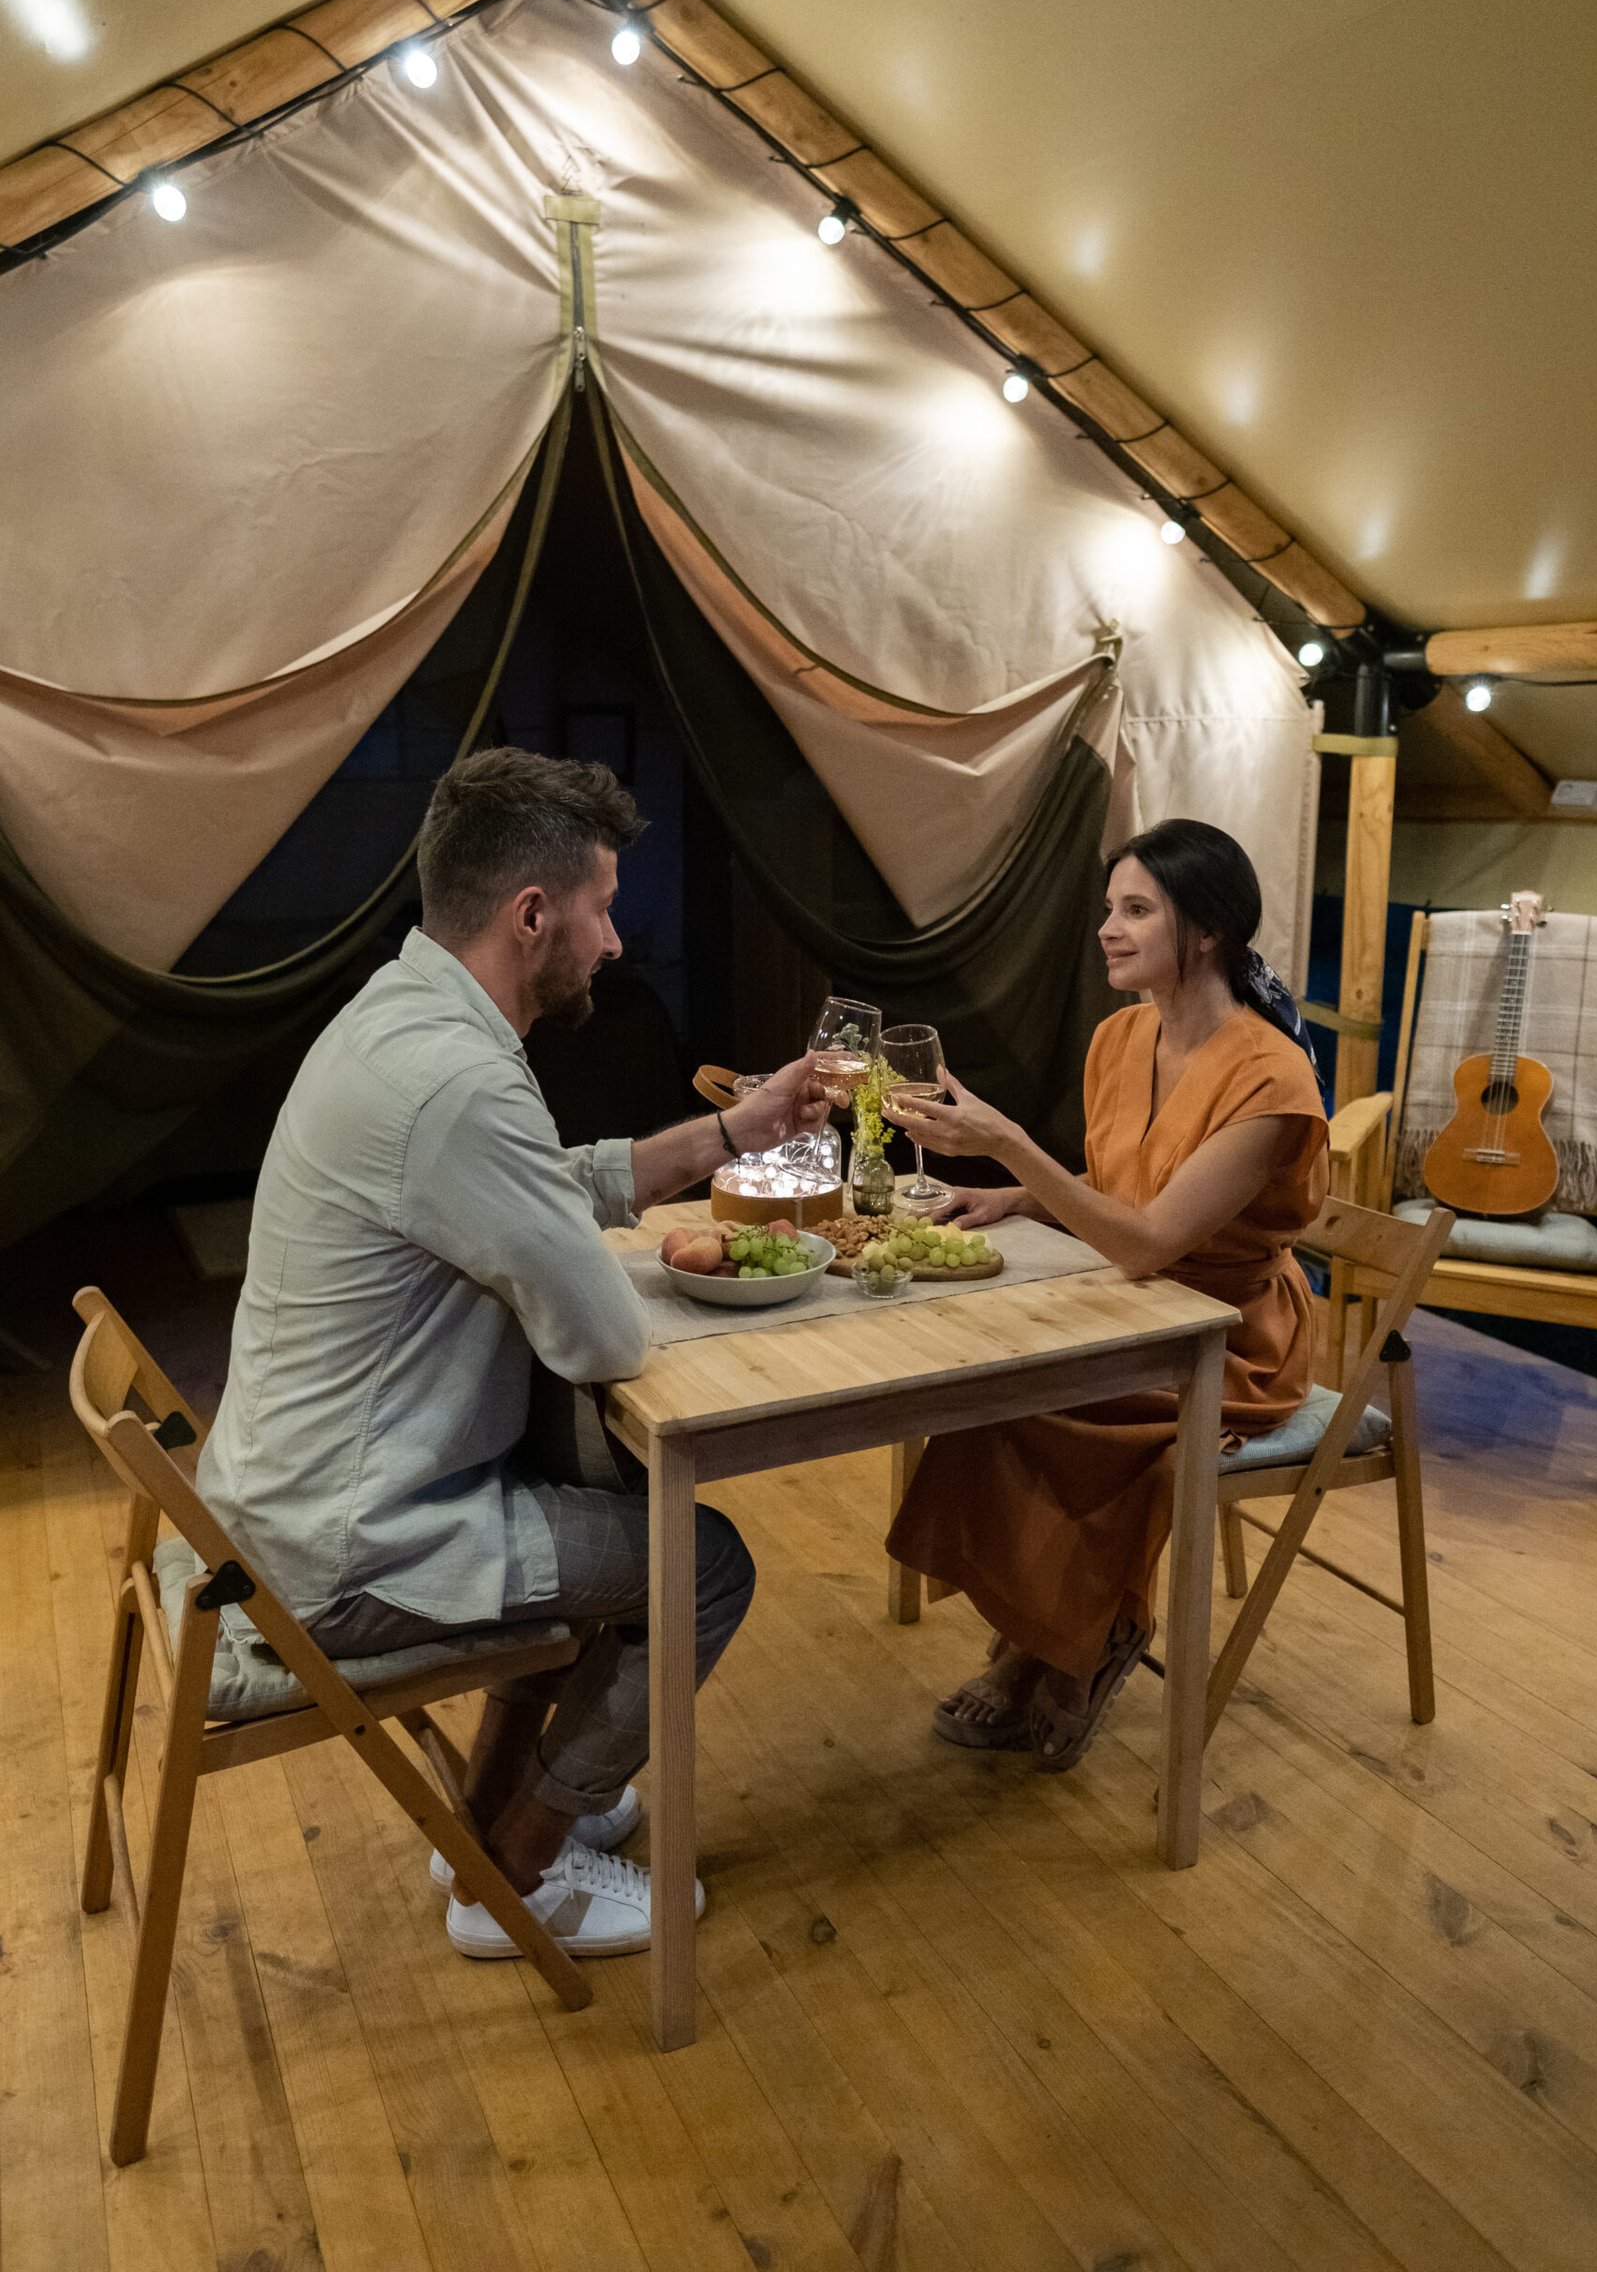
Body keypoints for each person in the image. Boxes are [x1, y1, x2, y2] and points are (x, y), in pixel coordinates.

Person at [199, 747, 827, 1957]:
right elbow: (598, 1333)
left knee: (597, 1491)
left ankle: (500, 1808)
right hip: (351, 1545)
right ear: (531, 914)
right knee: (695, 1563)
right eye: (600, 908)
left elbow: (532, 1187)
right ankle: (516, 1874)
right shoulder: (457, 1081)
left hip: (283, 1499)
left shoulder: (399, 1016)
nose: (615, 943)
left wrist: (729, 1134)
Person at [883, 818, 1327, 1771]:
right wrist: (1003, 1197)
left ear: (1204, 932)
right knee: (983, 1385)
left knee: (1055, 1410)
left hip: (1228, 1335)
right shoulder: (1121, 1037)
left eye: (1135, 910)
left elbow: (1155, 1241)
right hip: (1133, 1303)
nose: (1107, 930)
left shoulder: (1271, 1076)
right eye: (1108, 909)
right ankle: (1034, 1644)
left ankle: (1081, 1645)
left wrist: (1009, 1146)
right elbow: (1120, 1199)